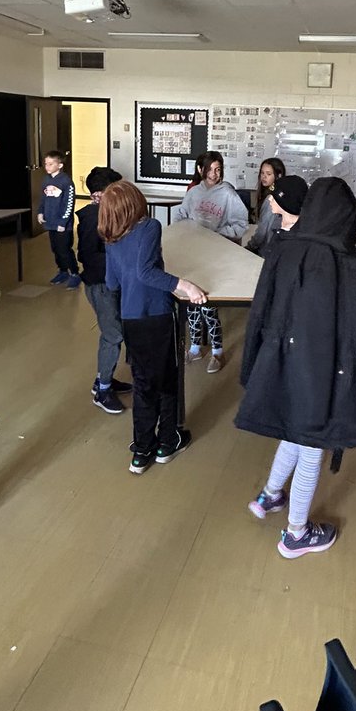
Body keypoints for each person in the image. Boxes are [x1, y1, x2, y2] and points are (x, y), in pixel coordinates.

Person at [236, 178, 356, 558]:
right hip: (315, 370)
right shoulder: (333, 260)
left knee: (294, 432)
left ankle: (270, 495)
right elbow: (326, 331)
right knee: (313, 445)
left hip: (282, 359)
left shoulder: (286, 245)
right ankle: (296, 533)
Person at [98, 180, 207, 474]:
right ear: (135, 203)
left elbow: (112, 283)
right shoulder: (149, 226)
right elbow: (146, 272)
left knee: (143, 383)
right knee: (167, 380)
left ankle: (141, 450)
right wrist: (185, 285)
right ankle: (167, 442)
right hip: (157, 315)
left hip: (131, 318)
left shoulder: (111, 237)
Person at [174, 150, 248, 373]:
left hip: (216, 258)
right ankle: (195, 348)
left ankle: (217, 352)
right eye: (210, 169)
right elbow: (180, 216)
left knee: (209, 306)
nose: (215, 174)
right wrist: (185, 230)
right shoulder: (194, 192)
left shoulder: (228, 193)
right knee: (192, 305)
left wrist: (216, 233)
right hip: (193, 256)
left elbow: (241, 224)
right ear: (200, 170)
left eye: (218, 169)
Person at [77, 166, 133, 414]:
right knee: (113, 334)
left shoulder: (106, 213)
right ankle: (103, 390)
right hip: (100, 285)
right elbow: (87, 256)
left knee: (114, 331)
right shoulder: (92, 218)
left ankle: (104, 377)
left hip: (109, 283)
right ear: (99, 194)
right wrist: (121, 261)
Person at [37, 149, 80, 288]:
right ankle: (62, 271)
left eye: (51, 164)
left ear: (60, 165)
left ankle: (74, 273)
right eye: (46, 163)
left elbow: (69, 204)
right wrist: (40, 212)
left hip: (63, 224)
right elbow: (43, 198)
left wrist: (63, 222)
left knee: (64, 249)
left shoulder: (66, 181)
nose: (47, 166)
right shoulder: (46, 180)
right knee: (55, 249)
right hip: (51, 222)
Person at [246, 157, 286, 254]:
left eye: (268, 174)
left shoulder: (271, 199)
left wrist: (249, 247)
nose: (264, 177)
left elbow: (262, 232)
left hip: (266, 251)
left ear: (278, 176)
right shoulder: (279, 193)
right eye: (262, 173)